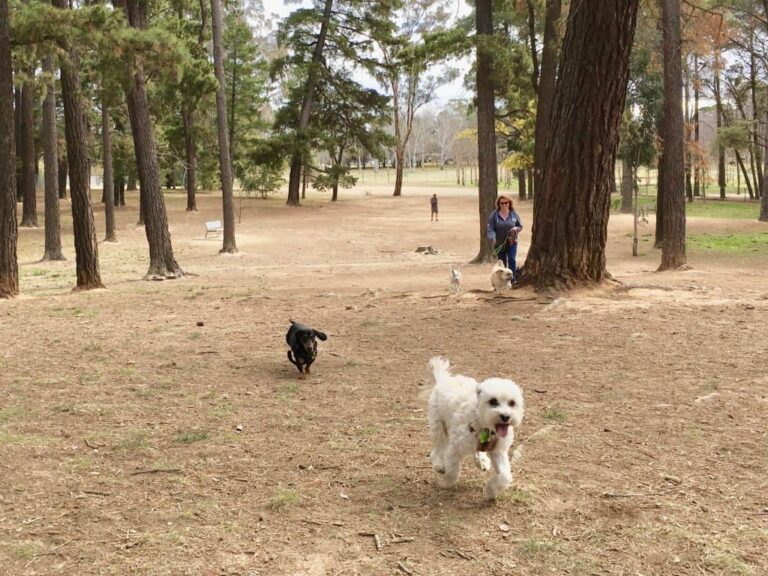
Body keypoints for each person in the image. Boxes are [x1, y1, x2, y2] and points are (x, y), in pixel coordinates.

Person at [487, 194, 523, 281]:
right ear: (498, 204)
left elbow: (520, 226)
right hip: (499, 244)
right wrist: (492, 238)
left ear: (509, 203)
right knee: (502, 263)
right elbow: (490, 228)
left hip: (512, 242)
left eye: (506, 202)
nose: (504, 205)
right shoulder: (494, 215)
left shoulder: (513, 214)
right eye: (501, 203)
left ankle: (513, 280)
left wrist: (516, 228)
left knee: (511, 259)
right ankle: (502, 281)